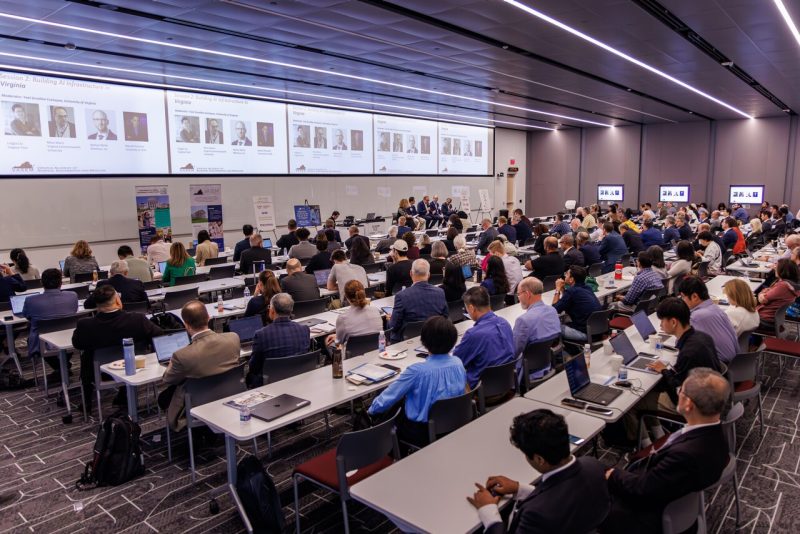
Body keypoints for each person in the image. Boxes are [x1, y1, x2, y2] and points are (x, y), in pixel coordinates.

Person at [604, 368, 729, 534]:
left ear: (688, 404)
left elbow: (642, 490)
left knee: (591, 476)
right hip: (669, 492)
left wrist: (612, 474)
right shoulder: (716, 434)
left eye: (680, 391)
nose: (677, 393)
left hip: (647, 515)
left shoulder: (685, 455)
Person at [470, 409, 610, 534]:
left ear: (539, 459)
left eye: (525, 453)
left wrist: (488, 512)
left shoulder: (536, 514)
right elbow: (562, 496)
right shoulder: (593, 466)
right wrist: (519, 488)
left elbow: (552, 505)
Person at [368, 316, 466, 446]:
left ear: (424, 341)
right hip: (455, 422)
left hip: (421, 432)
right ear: (453, 341)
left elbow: (387, 398)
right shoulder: (458, 363)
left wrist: (370, 411)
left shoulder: (416, 371)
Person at [73, 284, 163, 412]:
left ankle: (86, 402)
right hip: (138, 367)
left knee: (87, 355)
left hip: (101, 373)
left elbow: (77, 344)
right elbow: (159, 335)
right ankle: (123, 396)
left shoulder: (85, 325)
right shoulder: (137, 319)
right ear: (117, 300)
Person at [159, 301, 239, 431]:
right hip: (230, 394)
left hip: (198, 402)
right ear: (208, 318)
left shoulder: (182, 355)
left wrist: (172, 365)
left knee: (164, 397)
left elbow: (168, 379)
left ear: (186, 325)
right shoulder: (233, 338)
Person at [453, 286, 515, 387]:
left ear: (472, 308)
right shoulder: (505, 323)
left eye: (466, 308)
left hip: (482, 391)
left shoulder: (473, 334)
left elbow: (456, 362)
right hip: (506, 385)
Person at [246, 293, 311, 388]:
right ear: (291, 310)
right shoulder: (304, 329)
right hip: (298, 379)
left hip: (270, 384)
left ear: (272, 311)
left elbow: (254, 367)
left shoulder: (261, 334)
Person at [21, 268, 79, 374]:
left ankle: (60, 367)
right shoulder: (73, 296)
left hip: (43, 344)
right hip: (70, 338)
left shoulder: (31, 300)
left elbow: (26, 316)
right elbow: (74, 311)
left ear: (41, 282)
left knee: (33, 331)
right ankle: (63, 364)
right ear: (61, 282)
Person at [677, 276, 739, 364]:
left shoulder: (696, 317)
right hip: (733, 363)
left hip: (717, 367)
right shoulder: (716, 309)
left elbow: (683, 344)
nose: (682, 301)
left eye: (683, 297)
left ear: (694, 296)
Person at [387, 259, 448, 342]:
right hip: (433, 337)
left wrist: (389, 320)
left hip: (405, 341)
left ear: (411, 273)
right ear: (429, 275)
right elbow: (445, 317)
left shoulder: (401, 296)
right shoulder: (440, 292)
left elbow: (393, 326)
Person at [514, 277, 561, 378]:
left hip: (525, 372)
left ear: (527, 294)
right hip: (546, 365)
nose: (518, 298)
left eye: (519, 294)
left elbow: (514, 352)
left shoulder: (523, 320)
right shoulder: (552, 311)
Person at [552, 266, 601, 342]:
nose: (564, 275)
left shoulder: (572, 291)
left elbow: (554, 309)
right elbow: (568, 299)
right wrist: (563, 289)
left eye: (567, 274)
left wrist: (557, 289)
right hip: (598, 330)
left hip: (585, 333)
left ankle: (570, 351)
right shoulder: (587, 288)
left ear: (571, 279)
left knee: (551, 327)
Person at [326, 280, 382, 346]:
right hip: (376, 351)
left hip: (353, 355)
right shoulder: (375, 311)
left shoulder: (343, 318)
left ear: (346, 297)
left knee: (327, 340)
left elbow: (339, 341)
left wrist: (336, 337)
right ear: (364, 293)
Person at [83, 260, 148, 309]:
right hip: (135, 321)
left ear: (111, 272)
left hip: (110, 322)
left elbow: (87, 305)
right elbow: (147, 305)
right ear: (126, 272)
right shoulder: (137, 283)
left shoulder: (102, 284)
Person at [757, 259, 800, 326]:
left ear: (782, 270)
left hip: (765, 318)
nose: (774, 268)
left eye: (776, 266)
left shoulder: (783, 286)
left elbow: (763, 300)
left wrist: (761, 293)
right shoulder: (793, 284)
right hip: (774, 318)